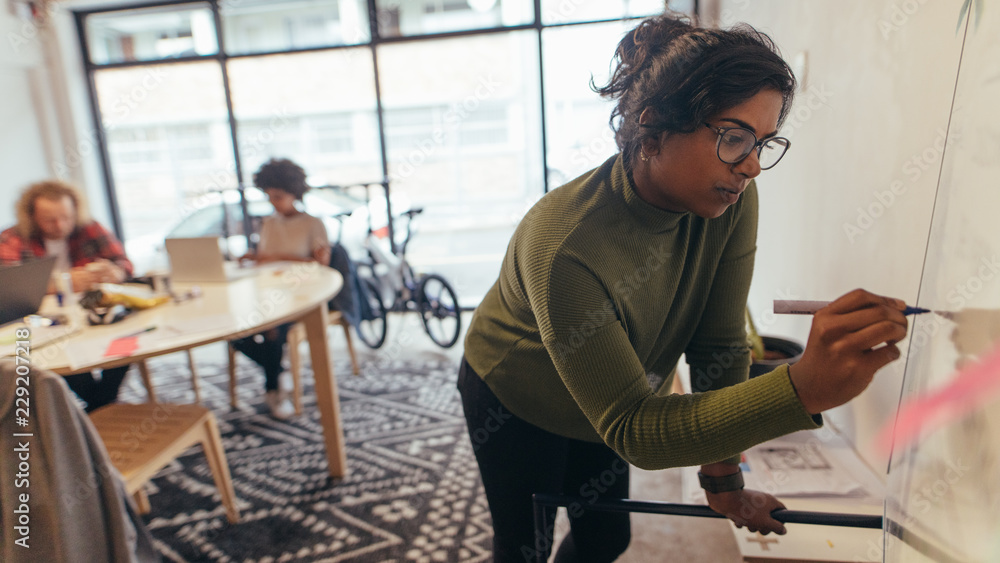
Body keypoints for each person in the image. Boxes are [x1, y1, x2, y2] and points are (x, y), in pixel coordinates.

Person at [458, 14, 910, 563]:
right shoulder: (565, 248)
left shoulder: (729, 196)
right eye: (733, 137)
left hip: (609, 394)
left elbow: (719, 344)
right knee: (523, 547)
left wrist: (724, 484)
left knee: (607, 537)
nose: (752, 165)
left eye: (763, 142)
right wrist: (801, 390)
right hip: (516, 395)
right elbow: (631, 426)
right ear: (652, 129)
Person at [0, 179, 135, 412]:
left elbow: (124, 264)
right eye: (50, 220)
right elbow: (9, 286)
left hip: (93, 309)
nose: (60, 225)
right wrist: (64, 281)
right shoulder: (13, 238)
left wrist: (116, 271)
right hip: (45, 320)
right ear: (32, 217)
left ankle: (98, 409)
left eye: (66, 217)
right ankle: (103, 407)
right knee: (60, 352)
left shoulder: (89, 228)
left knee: (128, 339)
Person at [230, 158, 330, 420]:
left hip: (302, 294)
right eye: (269, 197)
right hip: (268, 289)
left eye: (279, 196)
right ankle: (278, 369)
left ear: (294, 194)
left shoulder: (312, 223)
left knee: (271, 328)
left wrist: (276, 257)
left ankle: (274, 390)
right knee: (236, 331)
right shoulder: (270, 223)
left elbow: (320, 264)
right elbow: (264, 257)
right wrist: (252, 257)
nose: (274, 202)